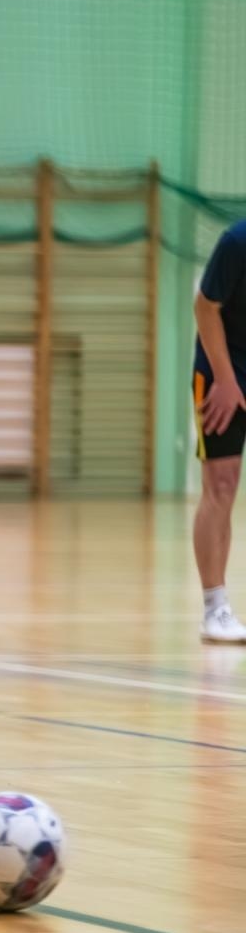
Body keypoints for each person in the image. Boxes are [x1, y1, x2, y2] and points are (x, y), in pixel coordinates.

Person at [193, 219, 246, 642]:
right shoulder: (237, 241)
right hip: (222, 371)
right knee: (222, 483)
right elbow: (204, 307)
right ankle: (215, 609)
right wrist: (226, 381)